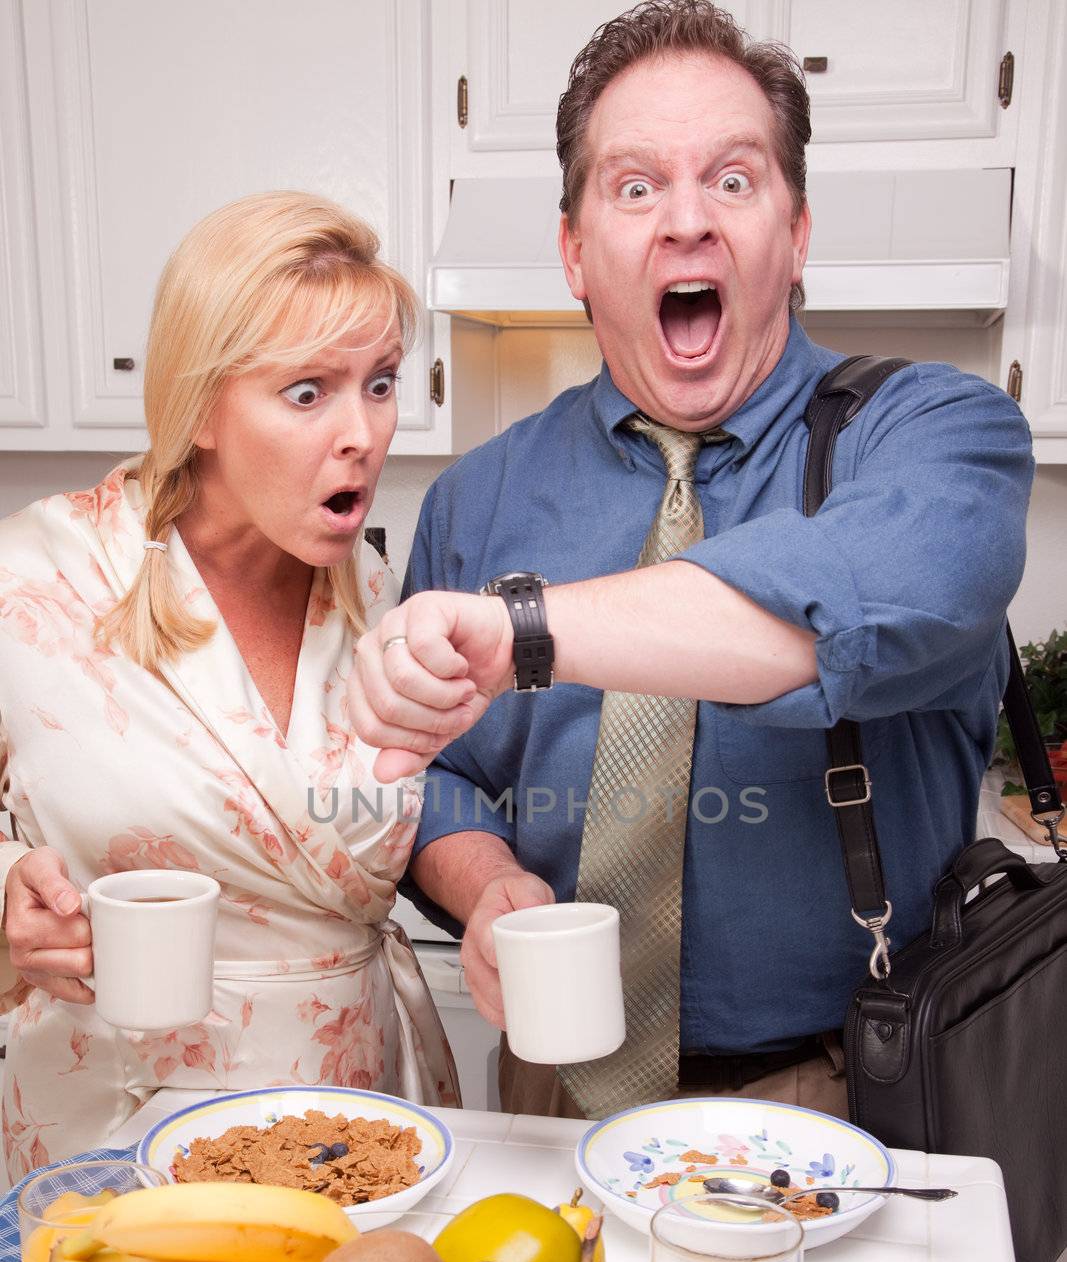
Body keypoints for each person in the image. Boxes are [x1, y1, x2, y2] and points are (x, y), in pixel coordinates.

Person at [347, 1, 1034, 1123]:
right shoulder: (480, 494)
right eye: (632, 187)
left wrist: (524, 627)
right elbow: (442, 773)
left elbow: (850, 603)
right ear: (573, 250)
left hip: (846, 1094)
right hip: (549, 1091)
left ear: (794, 232)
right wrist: (485, 888)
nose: (684, 223)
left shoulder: (933, 433)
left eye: (730, 178)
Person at [0, 191, 459, 1179]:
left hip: (349, 1141)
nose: (363, 434)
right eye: (307, 392)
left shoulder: (383, 604)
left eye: (378, 384)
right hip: (110, 1142)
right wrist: (6, 900)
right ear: (198, 404)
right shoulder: (36, 581)